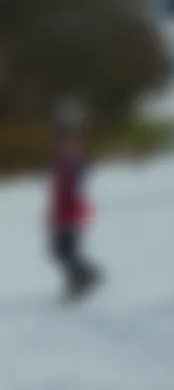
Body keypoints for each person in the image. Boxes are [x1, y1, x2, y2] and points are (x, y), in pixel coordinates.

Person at [50, 114, 98, 302]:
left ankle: (83, 280)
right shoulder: (66, 155)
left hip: (70, 212)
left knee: (65, 250)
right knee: (62, 250)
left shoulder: (72, 155)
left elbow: (76, 183)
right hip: (63, 211)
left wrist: (72, 207)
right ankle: (83, 277)